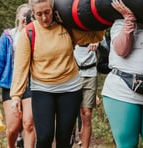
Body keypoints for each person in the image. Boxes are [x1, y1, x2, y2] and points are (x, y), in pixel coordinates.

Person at [10, 0, 105, 147]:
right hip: (42, 89)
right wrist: (16, 96)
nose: (44, 18)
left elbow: (93, 37)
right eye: (39, 14)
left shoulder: (66, 27)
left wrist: (102, 21)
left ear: (53, 9)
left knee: (64, 137)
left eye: (47, 12)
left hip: (70, 89)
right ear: (33, 13)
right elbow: (20, 67)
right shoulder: (28, 33)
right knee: (45, 137)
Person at [0, 4, 35, 148]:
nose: (25, 17)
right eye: (23, 14)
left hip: (30, 82)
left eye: (29, 15)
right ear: (18, 17)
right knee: (13, 127)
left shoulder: (36, 35)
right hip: (10, 84)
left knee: (29, 124)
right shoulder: (8, 36)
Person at [102, 0, 143, 147]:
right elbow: (121, 51)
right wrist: (128, 21)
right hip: (122, 90)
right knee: (127, 145)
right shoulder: (119, 23)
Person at [73, 43, 99, 148]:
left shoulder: (95, 29)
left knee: (86, 114)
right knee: (69, 116)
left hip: (90, 73)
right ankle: (69, 141)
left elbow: (104, 41)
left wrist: (98, 42)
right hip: (72, 73)